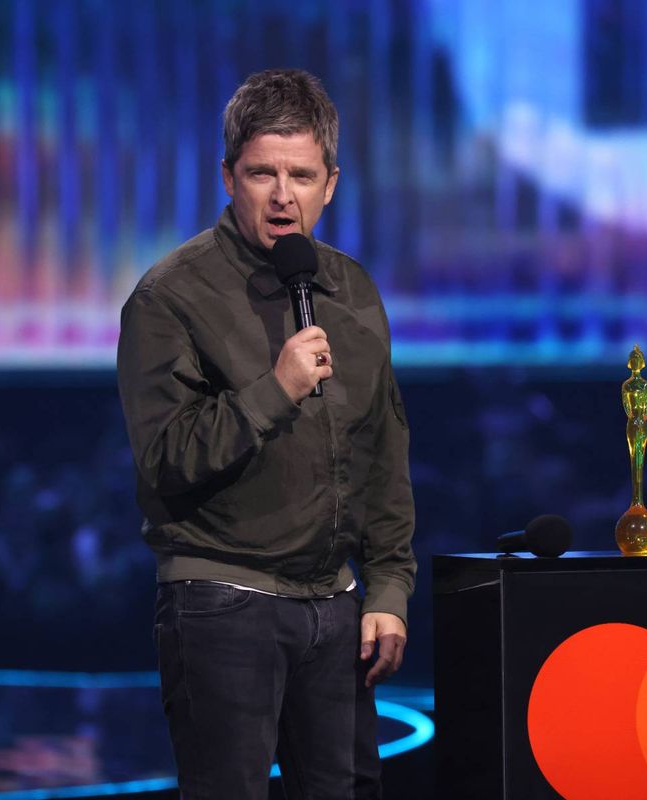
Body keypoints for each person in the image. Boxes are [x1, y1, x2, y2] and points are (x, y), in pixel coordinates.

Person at [116, 68, 415, 799]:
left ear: (330, 185)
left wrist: (388, 587)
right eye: (262, 173)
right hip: (223, 600)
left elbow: (382, 451)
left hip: (335, 607)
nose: (283, 194)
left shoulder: (351, 290)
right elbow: (166, 460)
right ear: (228, 177)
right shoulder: (170, 297)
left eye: (301, 175)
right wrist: (273, 391)